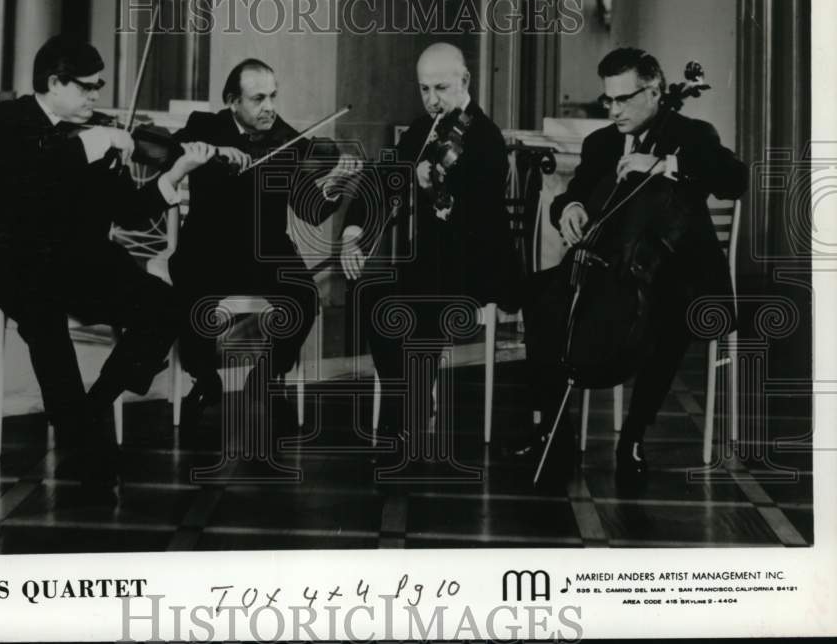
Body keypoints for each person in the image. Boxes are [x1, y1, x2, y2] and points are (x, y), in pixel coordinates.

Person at [0, 35, 231, 500]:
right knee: (45, 322)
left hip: (81, 261)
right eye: (86, 87)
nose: (95, 97)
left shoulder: (98, 133)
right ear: (54, 83)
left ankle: (93, 407)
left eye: (97, 87)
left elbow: (129, 210)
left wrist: (175, 173)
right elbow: (34, 171)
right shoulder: (12, 119)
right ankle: (83, 438)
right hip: (21, 264)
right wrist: (99, 139)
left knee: (165, 305)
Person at [530, 47, 747, 482]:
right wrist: (570, 207)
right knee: (538, 298)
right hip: (611, 267)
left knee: (668, 316)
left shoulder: (690, 134)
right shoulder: (602, 143)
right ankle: (556, 434)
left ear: (654, 92)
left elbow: (735, 181)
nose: (613, 110)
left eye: (623, 99)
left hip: (681, 275)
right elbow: (573, 193)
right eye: (607, 100)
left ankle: (632, 435)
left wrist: (665, 164)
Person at [161, 58, 362, 438]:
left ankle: (268, 377)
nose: (269, 107)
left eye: (273, 96)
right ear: (233, 101)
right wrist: (209, 153)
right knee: (187, 285)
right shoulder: (206, 126)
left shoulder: (286, 139)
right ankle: (205, 378)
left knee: (304, 297)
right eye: (258, 99)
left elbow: (312, 210)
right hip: (208, 247)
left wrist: (334, 180)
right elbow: (164, 154)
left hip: (265, 251)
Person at [340, 42, 521, 449]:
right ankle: (408, 398)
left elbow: (477, 213)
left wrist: (436, 186)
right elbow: (380, 179)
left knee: (421, 294)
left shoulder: (486, 137)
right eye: (424, 90)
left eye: (441, 88)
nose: (432, 100)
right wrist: (354, 233)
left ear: (465, 81)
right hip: (432, 263)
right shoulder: (423, 132)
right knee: (372, 292)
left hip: (479, 263)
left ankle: (401, 412)